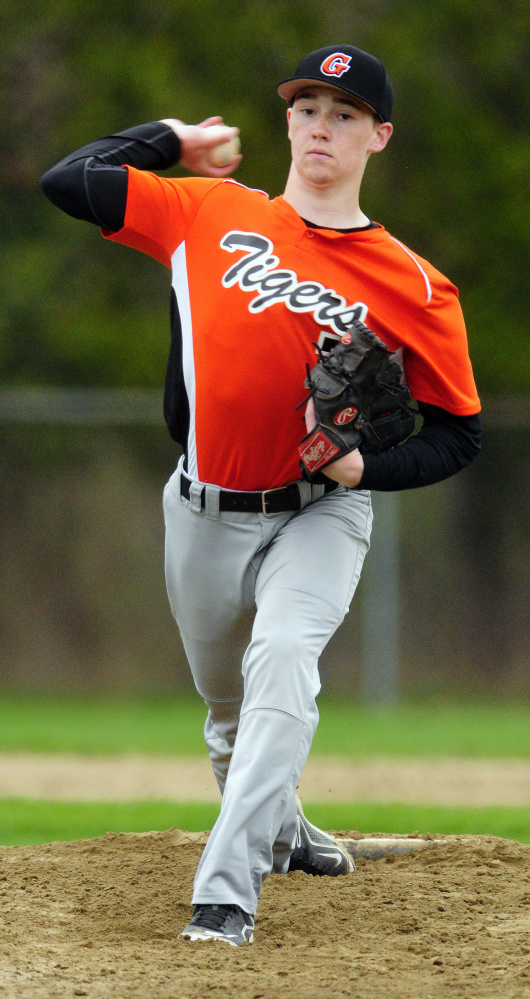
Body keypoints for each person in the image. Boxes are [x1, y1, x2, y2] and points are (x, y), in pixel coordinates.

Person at [41, 44, 481, 946]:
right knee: (228, 707)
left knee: (282, 664)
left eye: (347, 114)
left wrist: (367, 470)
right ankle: (287, 830)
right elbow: (69, 178)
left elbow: (457, 432)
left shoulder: (417, 285)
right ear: (288, 121)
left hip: (321, 508)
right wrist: (170, 138)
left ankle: (226, 893)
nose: (324, 125)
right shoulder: (206, 211)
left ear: (379, 137)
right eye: (309, 107)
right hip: (200, 506)